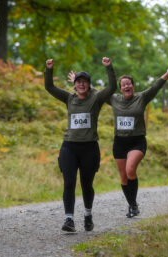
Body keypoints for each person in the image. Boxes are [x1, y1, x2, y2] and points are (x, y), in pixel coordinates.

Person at [71, 58, 168, 218]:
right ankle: (132, 205)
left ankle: (133, 204)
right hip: (120, 142)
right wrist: (80, 83)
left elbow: (157, 85)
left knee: (130, 170)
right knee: (123, 177)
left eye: (129, 84)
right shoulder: (114, 99)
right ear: (120, 88)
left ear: (133, 86)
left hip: (137, 141)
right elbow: (95, 93)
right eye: (124, 85)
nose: (127, 86)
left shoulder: (142, 97)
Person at [44, 57, 116, 232]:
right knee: (69, 182)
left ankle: (88, 214)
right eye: (78, 82)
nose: (81, 85)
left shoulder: (96, 99)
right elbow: (49, 87)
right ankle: (69, 219)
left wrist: (109, 67)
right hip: (69, 146)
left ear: (89, 85)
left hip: (89, 148)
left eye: (85, 82)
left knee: (86, 184)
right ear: (74, 84)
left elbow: (112, 88)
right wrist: (49, 70)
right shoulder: (69, 98)